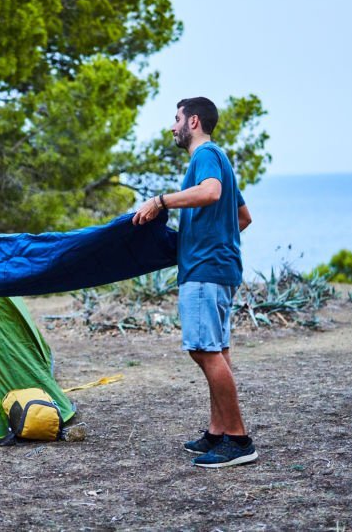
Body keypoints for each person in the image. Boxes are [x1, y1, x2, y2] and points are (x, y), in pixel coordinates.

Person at [132, 97, 255, 469]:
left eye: (176, 119)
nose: (172, 127)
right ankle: (218, 431)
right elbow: (243, 217)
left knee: (204, 350)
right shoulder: (218, 159)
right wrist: (210, 237)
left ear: (194, 121)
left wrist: (161, 201)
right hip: (219, 267)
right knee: (216, 349)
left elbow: (212, 192)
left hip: (205, 271)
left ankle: (239, 440)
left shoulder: (205, 155)